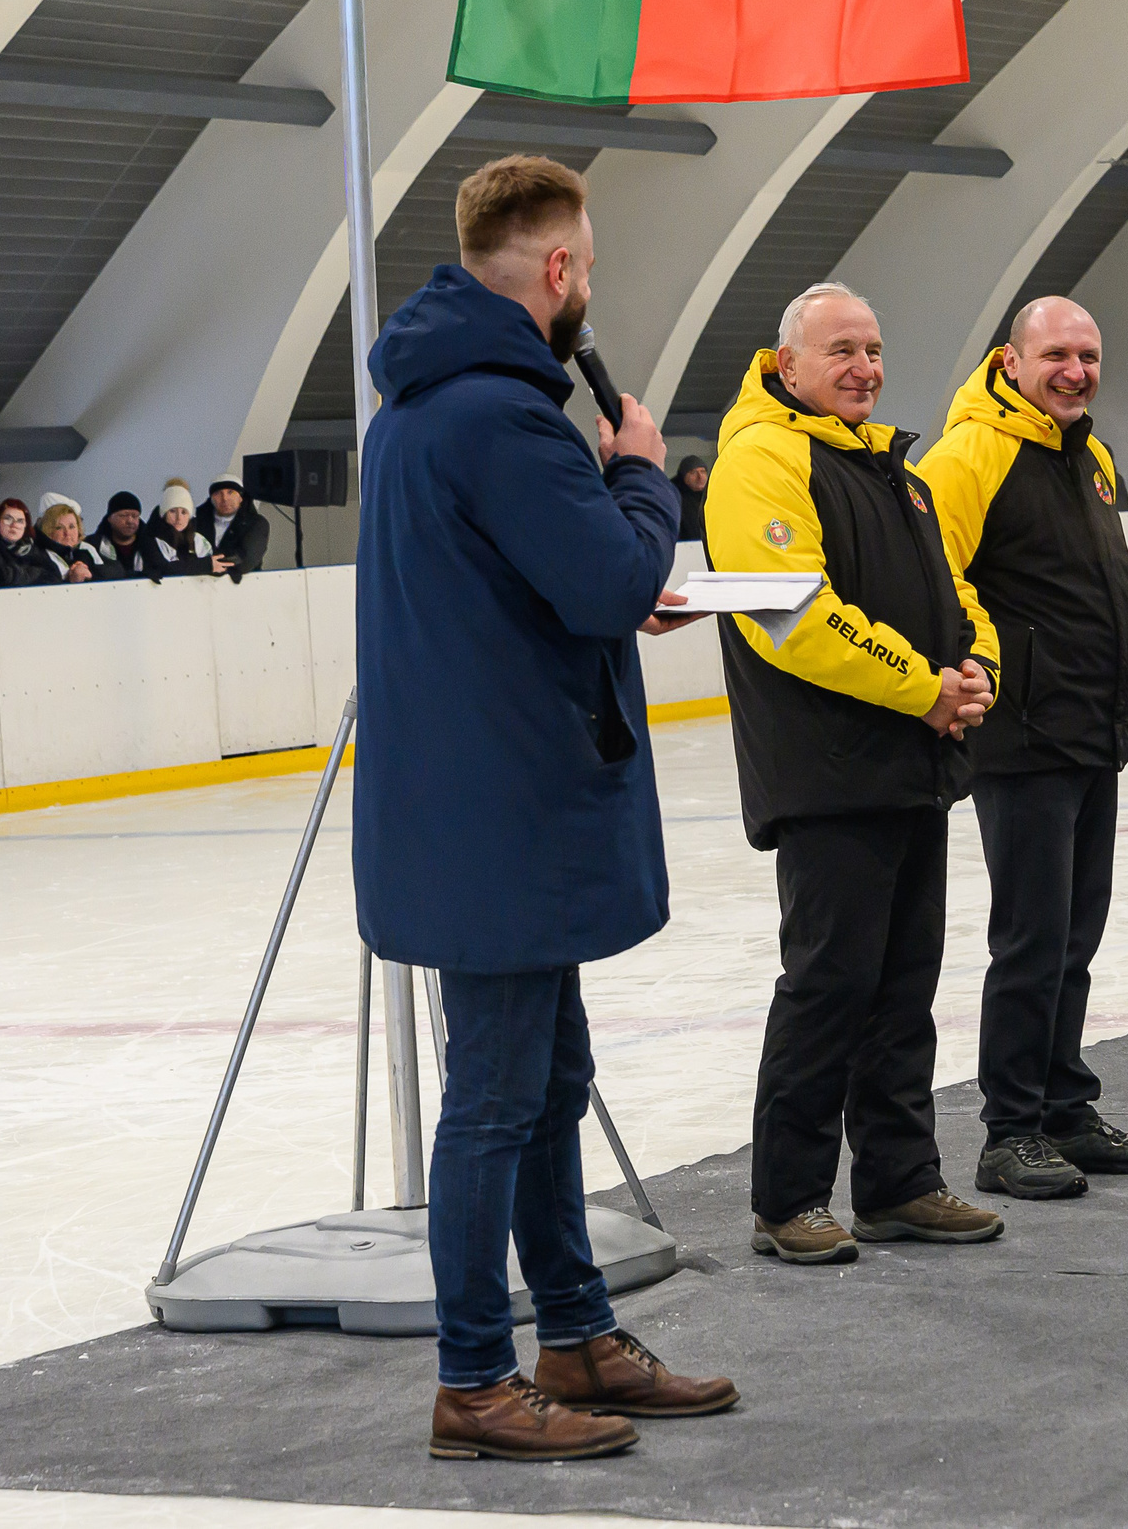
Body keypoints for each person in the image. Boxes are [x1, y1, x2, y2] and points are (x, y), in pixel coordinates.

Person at [356, 154, 732, 1462]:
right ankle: (474, 1377)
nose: (590, 292)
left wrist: (609, 568)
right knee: (496, 1100)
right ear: (559, 266)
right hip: (500, 814)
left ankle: (574, 1330)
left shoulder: (426, 408)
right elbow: (610, 577)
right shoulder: (503, 418)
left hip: (483, 802)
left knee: (545, 1080)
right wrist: (641, 473)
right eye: (591, 266)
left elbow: (544, 590)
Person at [705, 280, 1005, 1264]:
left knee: (903, 988)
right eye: (841, 351)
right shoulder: (761, 461)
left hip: (912, 765)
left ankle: (899, 1181)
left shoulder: (892, 469)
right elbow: (792, 616)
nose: (864, 368)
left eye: (872, 349)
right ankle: (787, 1198)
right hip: (828, 775)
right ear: (786, 364)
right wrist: (923, 688)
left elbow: (954, 589)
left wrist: (978, 665)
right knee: (828, 987)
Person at [915, 296, 1128, 1203]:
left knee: (1073, 936)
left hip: (1090, 731)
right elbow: (934, 582)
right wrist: (983, 674)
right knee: (1030, 939)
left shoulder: (1088, 456)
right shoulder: (966, 457)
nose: (1076, 370)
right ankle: (1010, 1129)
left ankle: (1065, 1107)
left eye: (1088, 355)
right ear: (1010, 361)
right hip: (1022, 738)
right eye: (1057, 354)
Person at [142, 481, 224, 579]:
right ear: (164, 514)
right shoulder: (152, 539)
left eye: (184, 512)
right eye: (172, 511)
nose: (179, 518)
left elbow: (216, 564)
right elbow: (163, 568)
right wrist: (205, 565)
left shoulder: (198, 540)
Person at [203, 473, 269, 578]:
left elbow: (246, 560)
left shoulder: (257, 523)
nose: (224, 498)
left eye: (230, 492)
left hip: (247, 584)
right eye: (218, 493)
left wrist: (205, 565)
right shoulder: (197, 523)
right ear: (211, 498)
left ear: (241, 497)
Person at [32, 495, 94, 582]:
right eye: (59, 528)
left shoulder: (86, 552)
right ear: (48, 531)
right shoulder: (40, 557)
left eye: (71, 527)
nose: (67, 533)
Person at [89, 491, 148, 579]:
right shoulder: (93, 546)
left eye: (135, 516)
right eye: (123, 515)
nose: (130, 521)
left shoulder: (151, 546)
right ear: (110, 518)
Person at [672, 455, 710, 542]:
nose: (700, 477)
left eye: (703, 471)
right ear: (683, 476)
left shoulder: (711, 495)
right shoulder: (674, 499)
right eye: (693, 472)